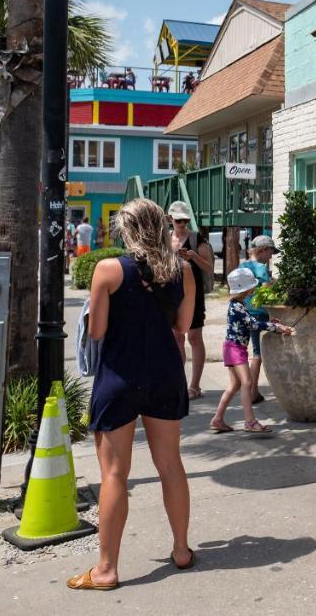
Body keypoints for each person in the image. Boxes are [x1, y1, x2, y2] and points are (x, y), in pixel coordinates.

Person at [68, 199, 196, 591]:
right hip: (164, 374)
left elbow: (97, 333)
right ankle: (181, 550)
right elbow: (183, 326)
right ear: (160, 227)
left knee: (114, 474)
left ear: (128, 231)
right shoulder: (183, 271)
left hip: (119, 376)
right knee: (170, 465)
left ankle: (106, 569)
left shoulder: (107, 270)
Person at [210, 266, 292, 434]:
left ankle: (218, 419)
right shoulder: (238, 306)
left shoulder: (237, 305)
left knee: (234, 385)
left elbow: (249, 321)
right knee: (246, 382)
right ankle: (250, 421)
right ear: (245, 289)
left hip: (231, 347)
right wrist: (276, 327)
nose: (254, 289)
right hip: (235, 349)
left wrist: (269, 321)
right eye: (252, 287)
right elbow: (253, 325)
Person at [167, 201, 212, 400]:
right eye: (178, 220)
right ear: (170, 219)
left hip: (193, 295)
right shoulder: (166, 239)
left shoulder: (196, 239)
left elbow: (209, 267)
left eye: (185, 219)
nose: (182, 223)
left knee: (194, 338)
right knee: (177, 338)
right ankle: (179, 383)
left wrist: (193, 256)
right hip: (172, 294)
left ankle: (195, 386)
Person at [237, 235, 275, 404]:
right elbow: (267, 293)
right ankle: (252, 391)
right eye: (271, 252)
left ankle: (249, 389)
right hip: (258, 313)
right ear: (264, 250)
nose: (271, 257)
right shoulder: (261, 268)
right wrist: (273, 285)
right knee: (257, 353)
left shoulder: (242, 265)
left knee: (244, 350)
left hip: (243, 311)